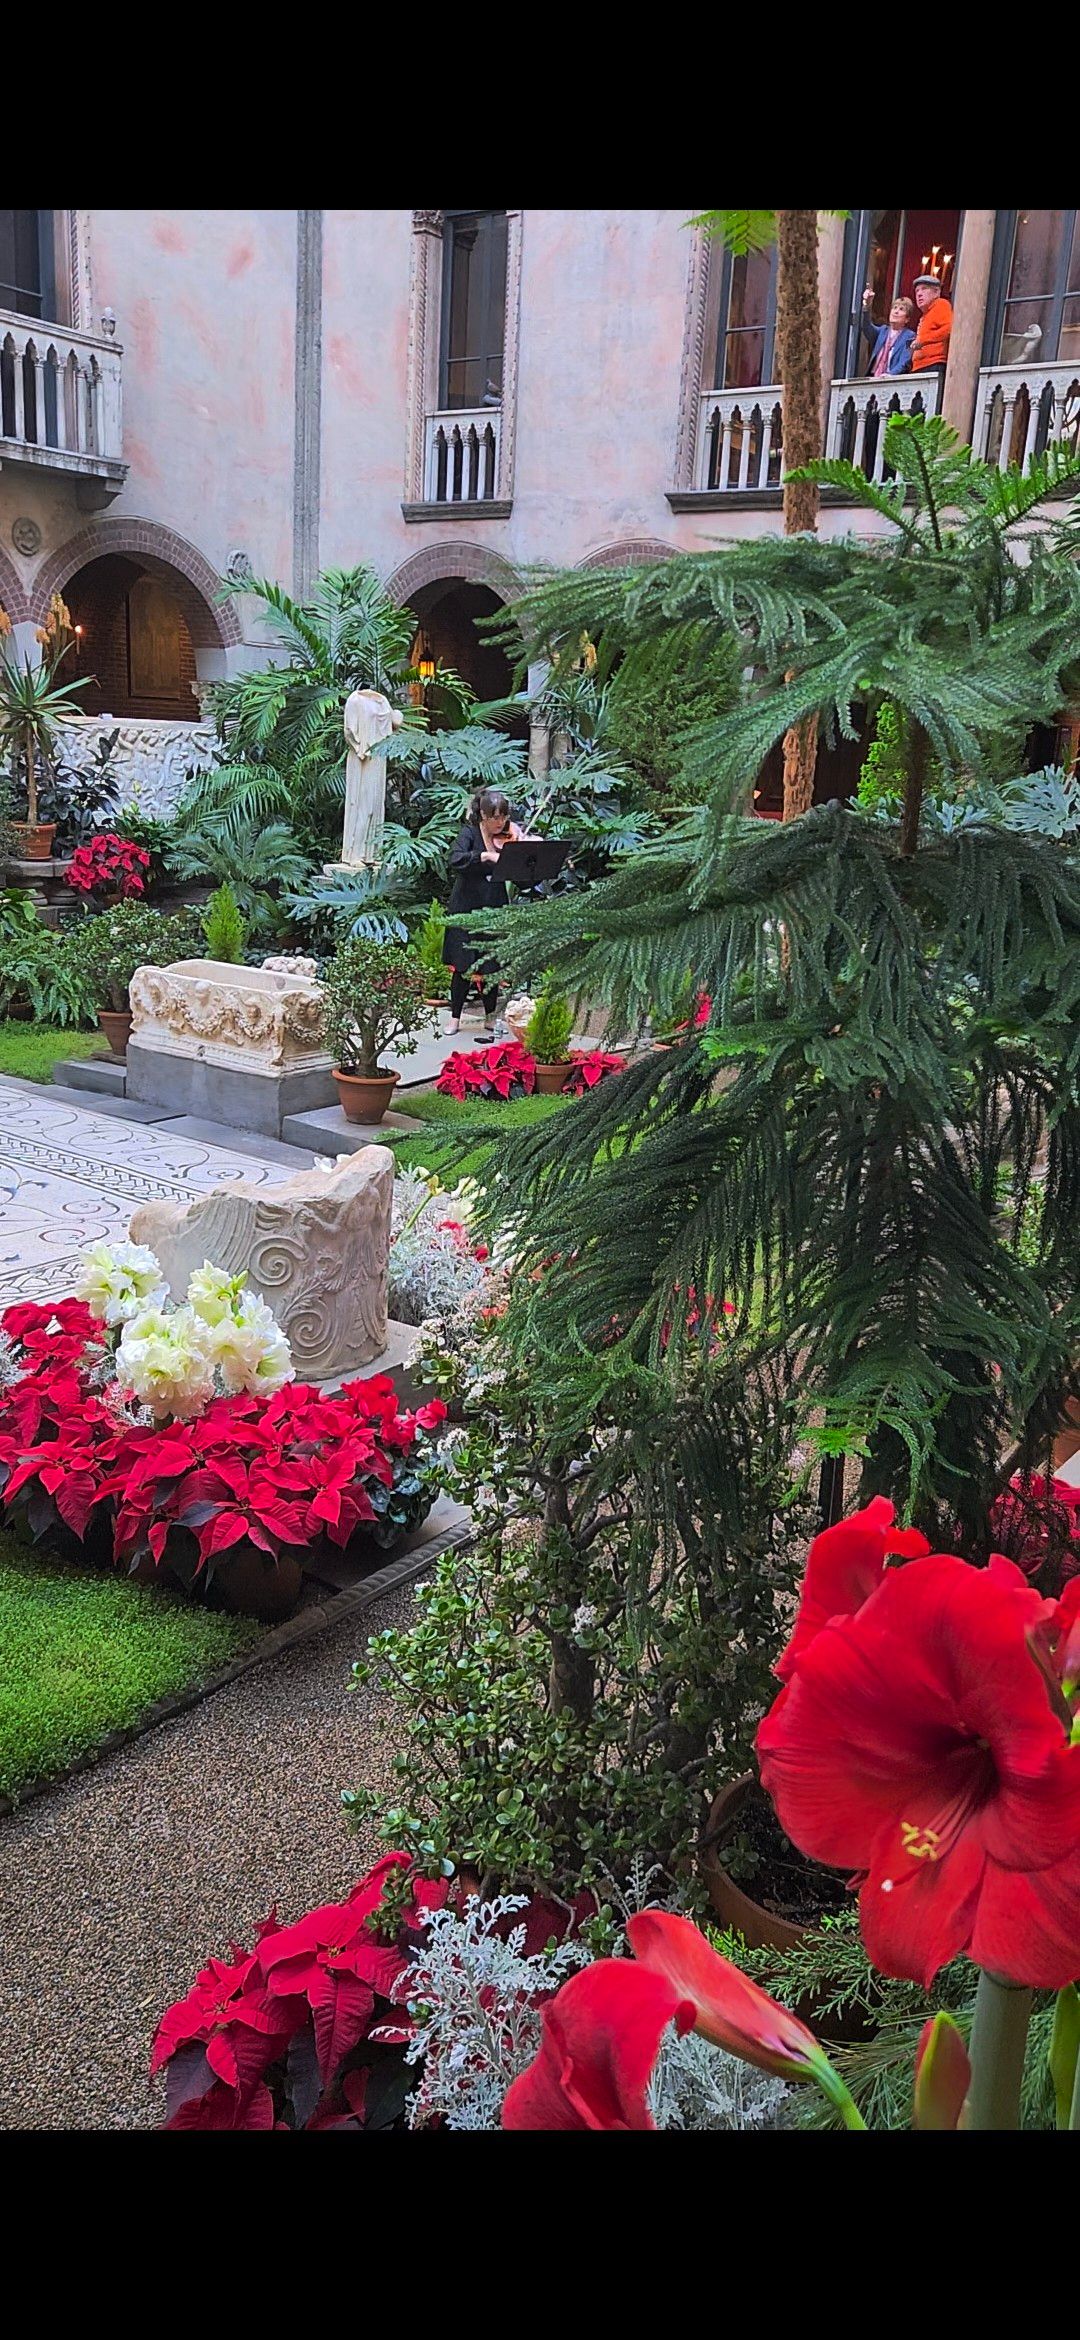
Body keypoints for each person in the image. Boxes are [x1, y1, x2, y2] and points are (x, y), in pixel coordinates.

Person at [443, 788, 526, 1036]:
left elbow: (519, 874)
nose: (500, 823)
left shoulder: (508, 837)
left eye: (503, 817)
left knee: (491, 964)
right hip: (466, 905)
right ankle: (455, 1018)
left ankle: (490, 1017)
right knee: (463, 964)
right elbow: (456, 859)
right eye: (495, 818)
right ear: (482, 814)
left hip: (494, 905)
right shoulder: (469, 833)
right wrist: (485, 856)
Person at [859, 290, 916, 377]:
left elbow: (904, 361)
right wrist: (866, 305)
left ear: (907, 319)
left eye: (901, 309)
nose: (896, 311)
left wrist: (891, 375)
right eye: (895, 308)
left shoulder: (909, 336)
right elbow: (866, 327)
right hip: (874, 378)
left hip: (892, 381)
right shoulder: (882, 331)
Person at [911, 274, 953, 374]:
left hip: (933, 365)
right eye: (917, 291)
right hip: (919, 367)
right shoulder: (924, 316)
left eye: (924, 289)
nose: (919, 294)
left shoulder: (940, 304)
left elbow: (949, 328)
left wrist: (922, 340)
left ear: (936, 293)